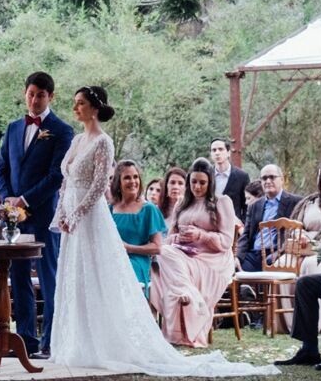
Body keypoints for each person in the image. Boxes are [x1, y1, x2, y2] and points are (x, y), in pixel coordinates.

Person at [45, 85, 274, 375]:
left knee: (96, 276)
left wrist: (77, 214)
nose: (75, 108)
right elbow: (66, 181)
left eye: (80, 104)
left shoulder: (103, 142)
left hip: (90, 218)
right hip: (71, 219)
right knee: (74, 276)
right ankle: (75, 344)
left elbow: (100, 185)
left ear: (94, 107)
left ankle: (104, 344)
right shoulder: (77, 140)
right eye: (75, 104)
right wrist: (63, 213)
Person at [0, 70, 74, 358]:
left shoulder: (62, 131)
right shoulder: (14, 127)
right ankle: (26, 339)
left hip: (44, 215)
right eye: (31, 93)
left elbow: (56, 176)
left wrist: (25, 200)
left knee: (48, 276)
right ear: (24, 94)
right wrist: (8, 200)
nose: (35, 99)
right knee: (18, 278)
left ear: (50, 97)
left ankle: (50, 341)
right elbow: (1, 168)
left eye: (41, 95)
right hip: (13, 217)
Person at [155, 157, 241, 347]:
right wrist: (178, 239)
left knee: (166, 256)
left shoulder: (221, 202)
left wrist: (200, 235)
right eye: (194, 181)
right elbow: (169, 238)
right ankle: (188, 300)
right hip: (183, 255)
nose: (197, 186)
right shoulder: (181, 204)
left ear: (210, 182)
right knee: (161, 254)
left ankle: (192, 301)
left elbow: (226, 242)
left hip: (212, 258)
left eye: (202, 182)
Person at [277, 162, 321, 369]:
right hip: (301, 247)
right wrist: (298, 234)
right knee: (304, 283)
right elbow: (294, 225)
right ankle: (309, 348)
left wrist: (315, 243)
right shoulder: (310, 202)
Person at [111, 159, 167, 295]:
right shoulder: (109, 210)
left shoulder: (148, 209)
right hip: (111, 260)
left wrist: (129, 248)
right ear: (118, 182)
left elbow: (157, 247)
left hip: (136, 262)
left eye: (135, 177)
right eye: (127, 178)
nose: (133, 181)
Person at [240, 164, 305, 272]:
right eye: (264, 178)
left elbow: (299, 231)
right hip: (254, 255)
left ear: (282, 179)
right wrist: (238, 256)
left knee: (269, 272)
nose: (268, 181)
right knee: (231, 267)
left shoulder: (296, 202)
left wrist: (281, 252)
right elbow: (246, 234)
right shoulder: (254, 206)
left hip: (277, 253)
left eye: (272, 177)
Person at [213, 138, 254, 225]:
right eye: (214, 150)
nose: (217, 153)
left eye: (220, 149)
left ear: (228, 153)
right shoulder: (207, 176)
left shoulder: (242, 176)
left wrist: (242, 225)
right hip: (210, 227)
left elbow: (247, 205)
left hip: (233, 229)